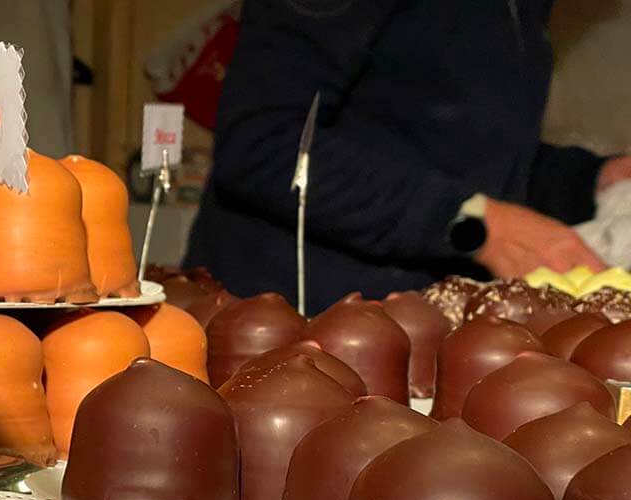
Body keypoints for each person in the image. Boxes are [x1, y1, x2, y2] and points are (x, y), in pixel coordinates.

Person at [183, 0, 631, 313]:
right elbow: (263, 143)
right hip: (285, 323)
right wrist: (471, 223)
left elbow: (461, 157)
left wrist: (593, 179)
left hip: (418, 327)